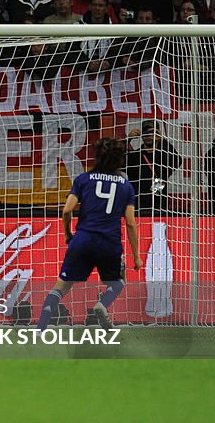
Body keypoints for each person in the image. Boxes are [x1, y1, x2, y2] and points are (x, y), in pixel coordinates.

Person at [36, 137, 142, 330]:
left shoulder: (83, 179)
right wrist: (136, 256)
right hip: (109, 243)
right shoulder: (126, 186)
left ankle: (39, 329)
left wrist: (68, 234)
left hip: (83, 240)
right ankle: (102, 305)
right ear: (119, 160)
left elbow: (67, 210)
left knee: (61, 287)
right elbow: (130, 223)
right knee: (118, 282)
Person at [124, 119, 182, 214]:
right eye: (146, 133)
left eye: (152, 133)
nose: (149, 137)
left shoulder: (164, 155)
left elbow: (177, 160)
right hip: (137, 206)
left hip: (158, 206)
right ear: (141, 135)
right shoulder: (134, 156)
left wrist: (163, 140)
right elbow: (116, 161)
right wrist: (127, 140)